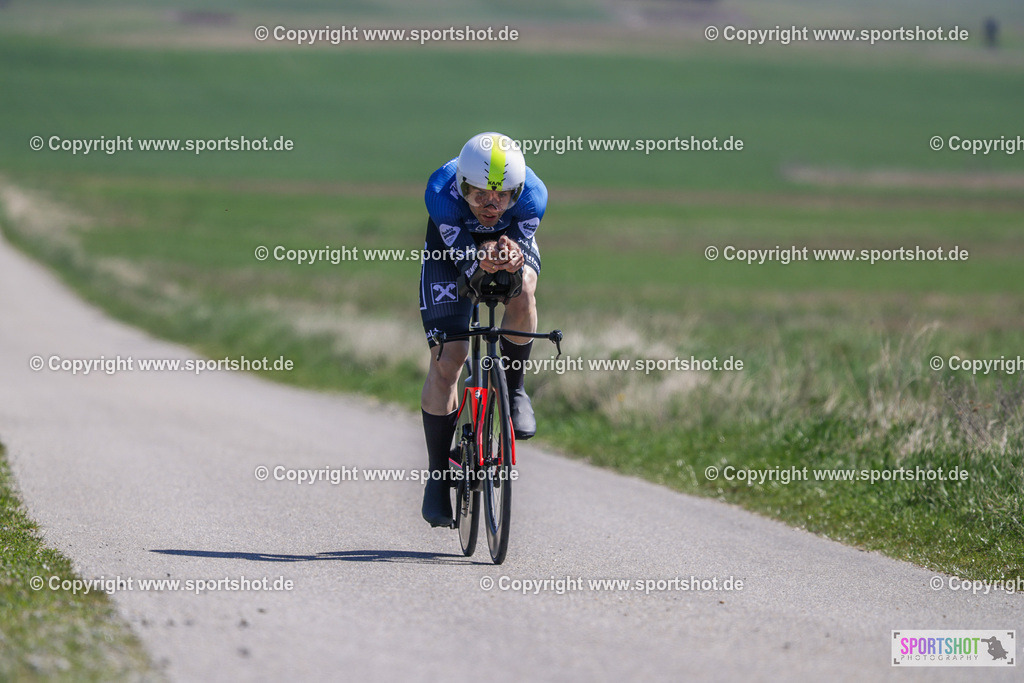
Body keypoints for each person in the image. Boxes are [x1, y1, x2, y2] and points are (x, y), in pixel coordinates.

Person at [418, 132, 547, 527]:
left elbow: (521, 250)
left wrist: (510, 259)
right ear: (463, 187)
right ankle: (438, 477)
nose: (492, 206)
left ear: (518, 191)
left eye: (503, 196)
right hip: (450, 246)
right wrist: (478, 262)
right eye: (479, 196)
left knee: (523, 287)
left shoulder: (533, 198)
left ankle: (515, 388)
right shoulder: (441, 192)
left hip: (506, 244)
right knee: (449, 361)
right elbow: (464, 261)